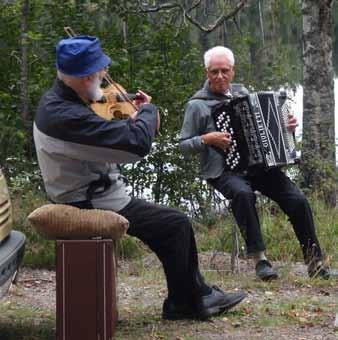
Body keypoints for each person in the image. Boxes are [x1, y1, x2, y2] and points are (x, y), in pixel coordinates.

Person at [33, 36, 246, 320]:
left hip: (88, 192)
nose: (103, 76)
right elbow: (136, 145)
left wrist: (126, 112)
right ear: (85, 77)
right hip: (88, 201)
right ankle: (188, 300)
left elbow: (103, 127)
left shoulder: (61, 101)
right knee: (176, 224)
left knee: (169, 227)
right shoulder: (67, 117)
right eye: (99, 72)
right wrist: (147, 111)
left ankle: (192, 295)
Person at [179, 46, 330, 281]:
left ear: (233, 71)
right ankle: (261, 260)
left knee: (298, 200)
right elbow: (183, 145)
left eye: (225, 71)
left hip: (259, 168)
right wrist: (206, 139)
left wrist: (286, 126)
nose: (220, 76)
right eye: (214, 71)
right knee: (243, 194)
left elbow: (263, 129)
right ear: (206, 73)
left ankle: (315, 262)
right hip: (224, 171)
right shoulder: (196, 105)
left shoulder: (242, 93)